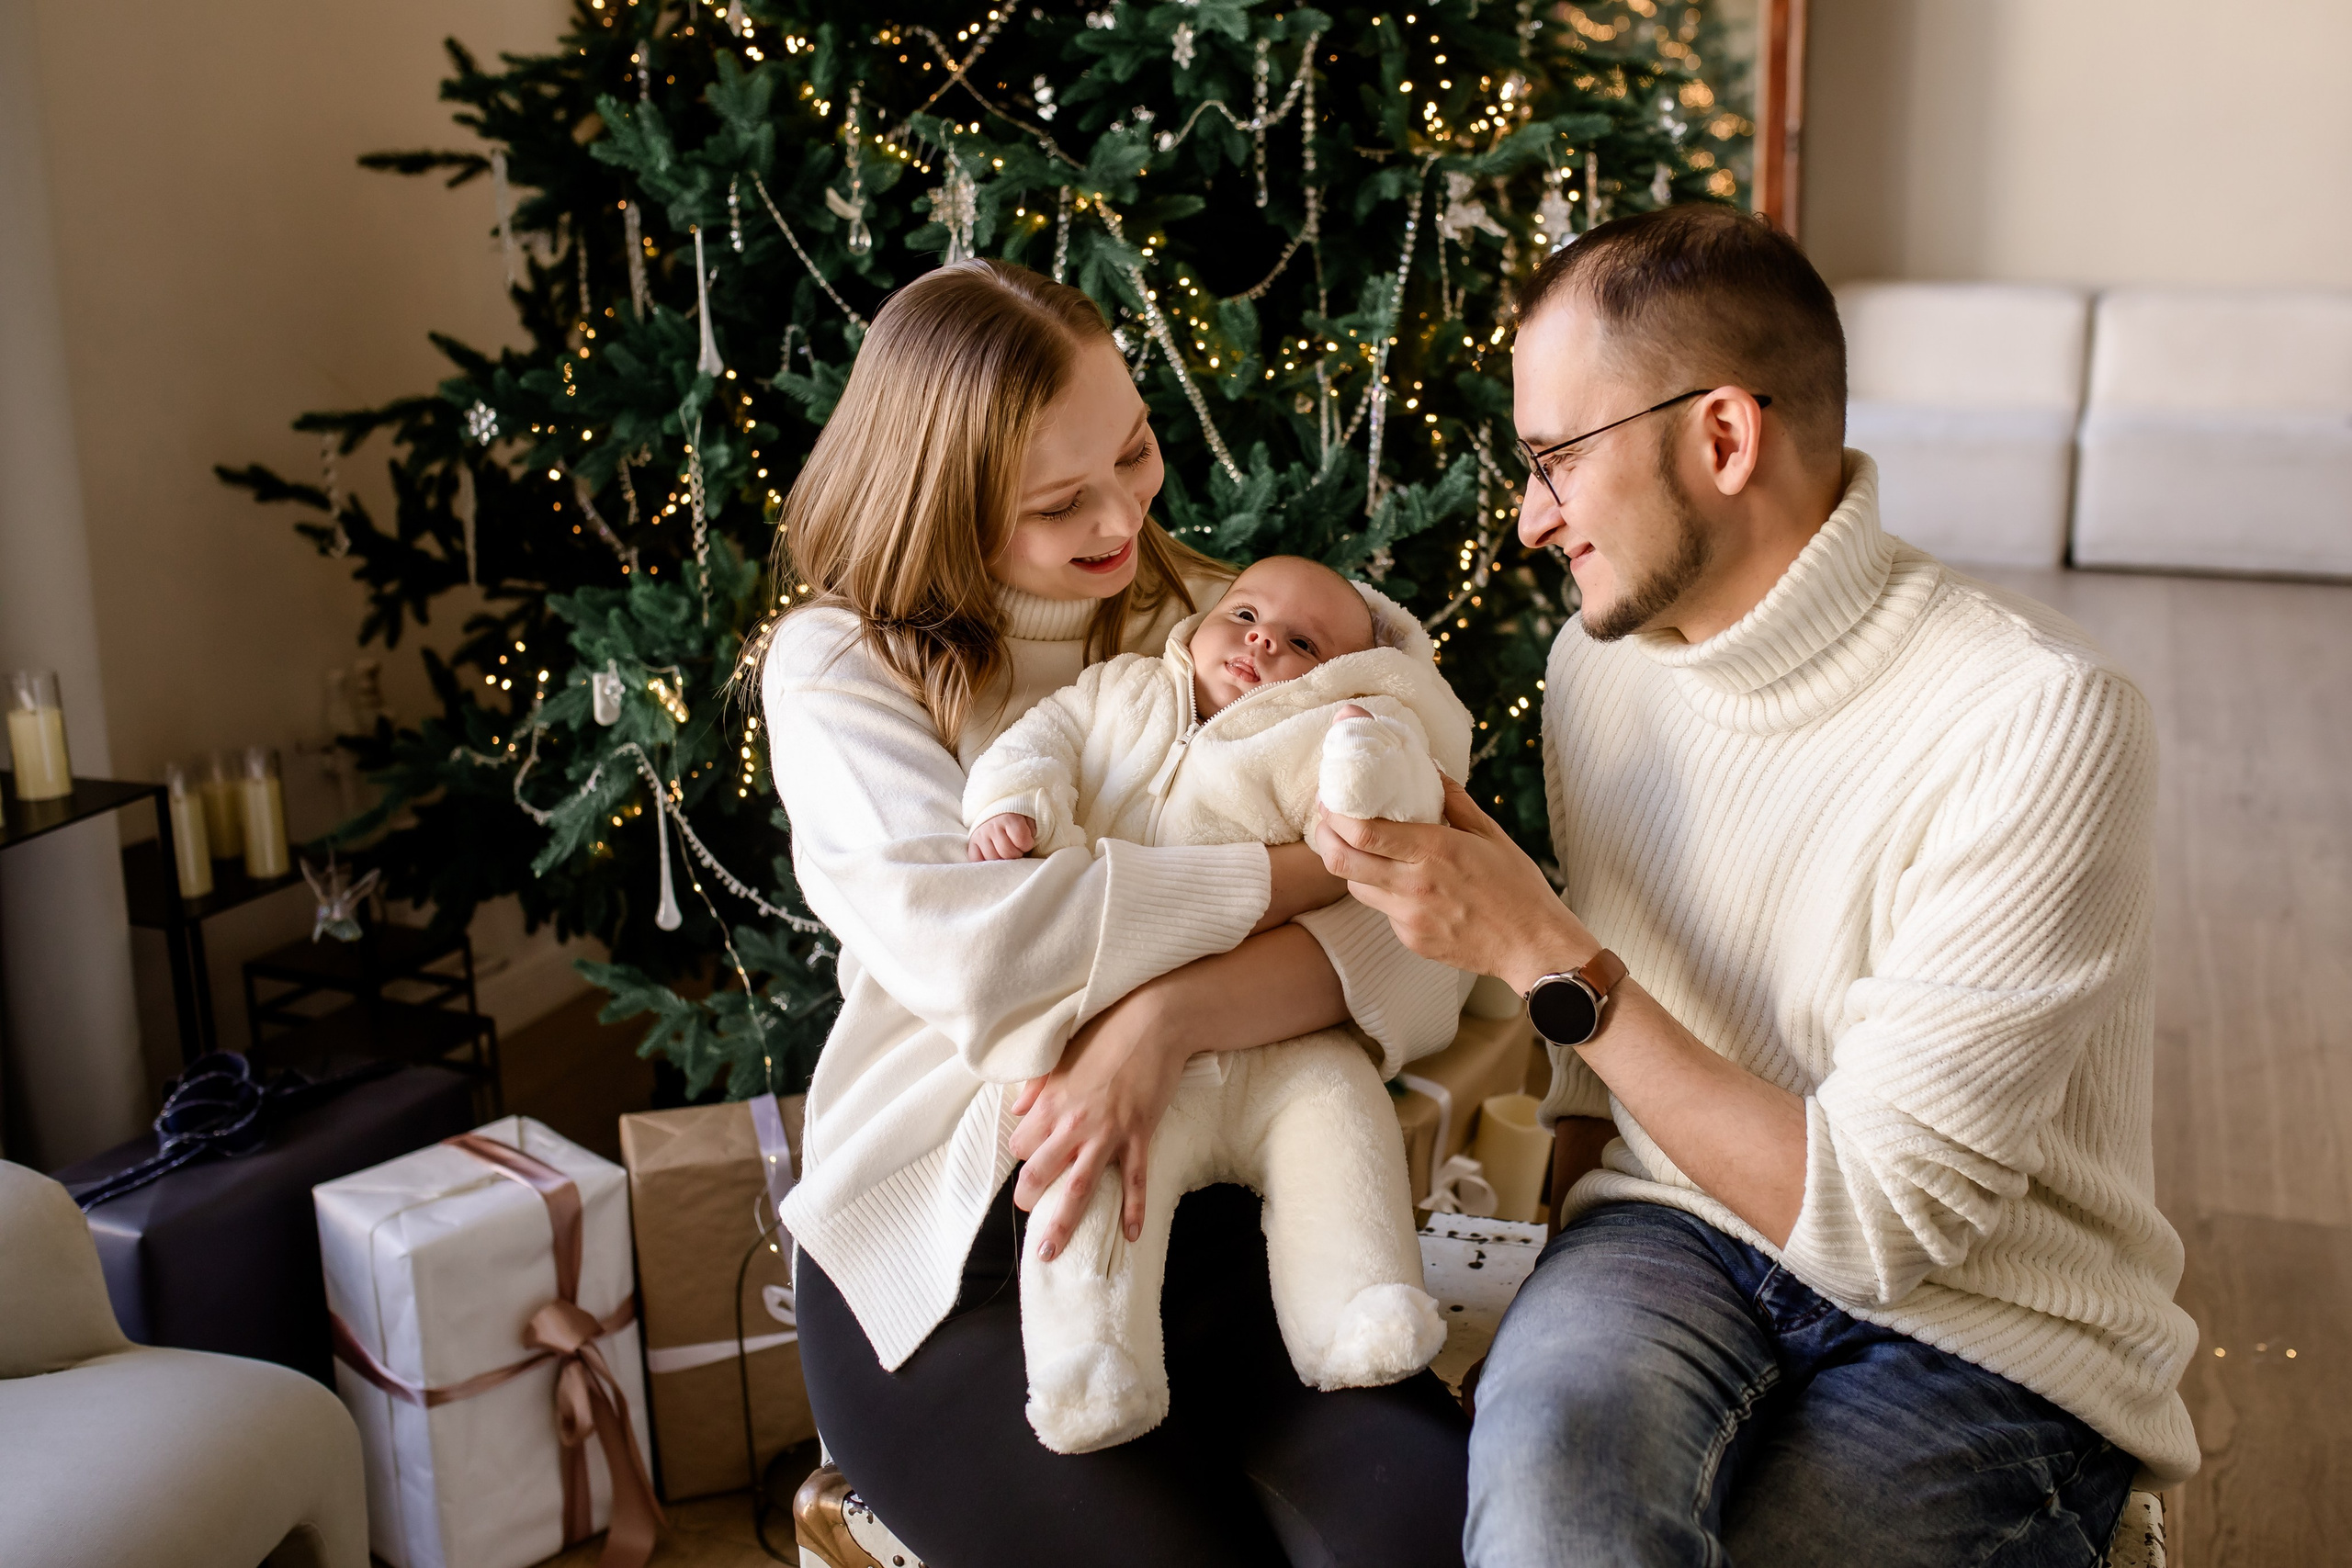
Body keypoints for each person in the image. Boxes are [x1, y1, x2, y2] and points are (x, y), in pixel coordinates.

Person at [1313, 205, 2199, 1566]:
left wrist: (1543, 954)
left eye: (1555, 456)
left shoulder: (2039, 716)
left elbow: (1878, 1224)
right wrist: (1547, 1268)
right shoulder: (1599, 669)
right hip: (1668, 1232)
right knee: (1553, 1507)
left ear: (1723, 437)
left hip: (1985, 1315)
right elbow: (1590, 1081)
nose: (1532, 514)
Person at [763, 259, 1471, 1567]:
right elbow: (994, 960)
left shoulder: (1214, 623)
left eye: (1134, 451)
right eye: (1055, 503)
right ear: (942, 502)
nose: (1121, 520)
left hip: (1225, 1221)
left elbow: (1427, 955)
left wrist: (1164, 1017)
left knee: (1434, 1538)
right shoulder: (845, 669)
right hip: (947, 1252)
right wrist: (1307, 878)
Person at [961, 555, 1472, 1457]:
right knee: (1101, 1167)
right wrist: (1015, 806)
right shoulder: (1118, 692)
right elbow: (1033, 741)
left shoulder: (1315, 732)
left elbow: (1373, 828)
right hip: (1125, 1053)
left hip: (1286, 1036)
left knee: (1341, 1119)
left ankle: (1354, 1313)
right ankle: (1092, 1363)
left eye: (1302, 644)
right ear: (1199, 623)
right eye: (1243, 614)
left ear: (1339, 676)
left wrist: (1364, 765)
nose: (1262, 640)